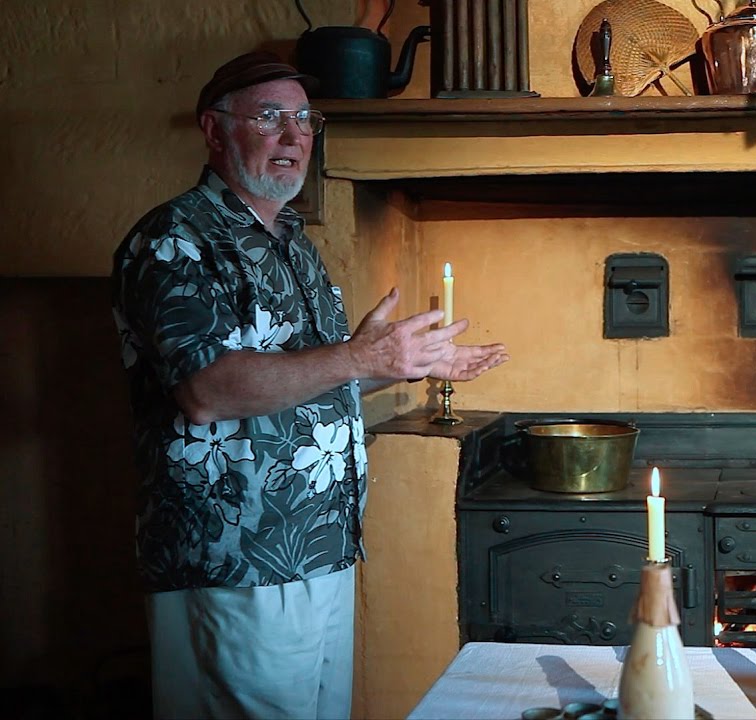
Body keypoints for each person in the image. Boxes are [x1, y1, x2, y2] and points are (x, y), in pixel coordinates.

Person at [109, 51, 509, 719]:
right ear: (214, 129)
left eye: (304, 119)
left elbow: (306, 385)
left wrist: (395, 364)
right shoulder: (174, 240)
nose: (295, 137)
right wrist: (359, 356)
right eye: (270, 118)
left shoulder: (293, 240)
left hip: (321, 549)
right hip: (237, 559)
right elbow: (207, 390)